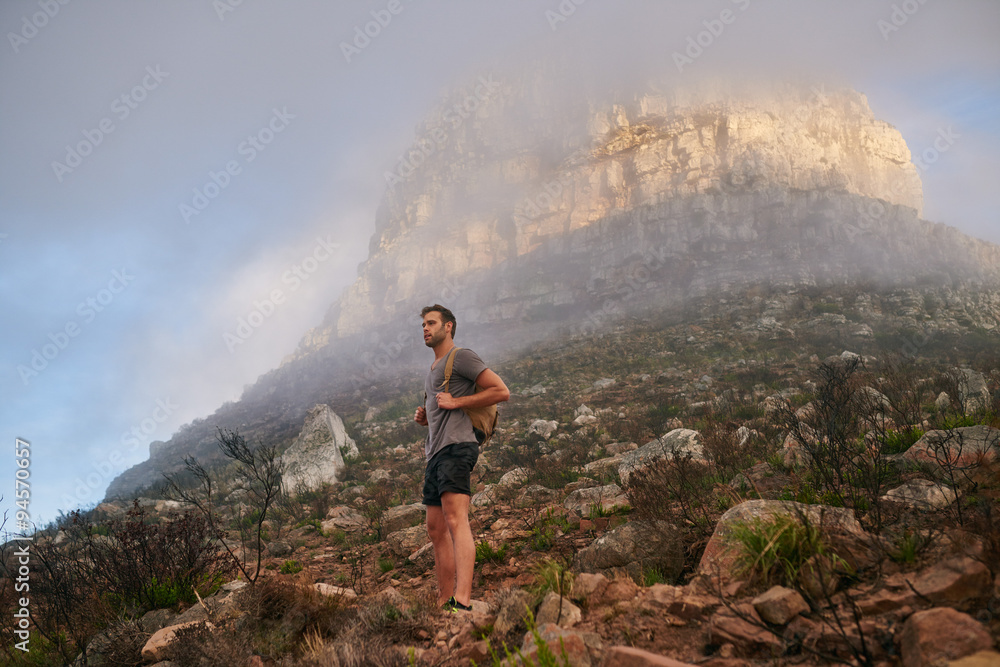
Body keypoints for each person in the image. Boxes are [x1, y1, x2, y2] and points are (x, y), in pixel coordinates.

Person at [414, 304, 509, 612]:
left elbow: (501, 391)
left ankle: (463, 601)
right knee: (435, 529)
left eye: (431, 323)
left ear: (449, 327)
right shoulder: (432, 370)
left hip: (458, 447)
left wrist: (457, 401)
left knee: (456, 520)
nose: (426, 329)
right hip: (435, 453)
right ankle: (444, 603)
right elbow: (441, 407)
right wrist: (425, 418)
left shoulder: (463, 357)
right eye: (423, 324)